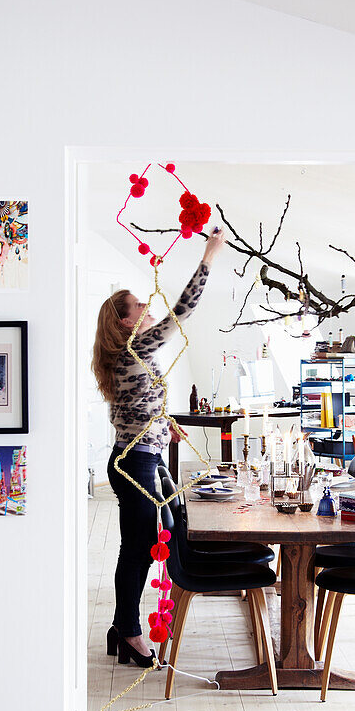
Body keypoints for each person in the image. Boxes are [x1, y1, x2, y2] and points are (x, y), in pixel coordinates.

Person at [92, 227, 226, 665]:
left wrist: (162, 422)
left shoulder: (127, 357)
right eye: (139, 305)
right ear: (126, 321)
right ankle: (129, 631)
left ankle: (122, 626)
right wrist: (208, 255)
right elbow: (182, 312)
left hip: (138, 456)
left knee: (143, 540)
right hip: (136, 463)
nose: (149, 307)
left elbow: (136, 404)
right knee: (142, 545)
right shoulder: (131, 351)